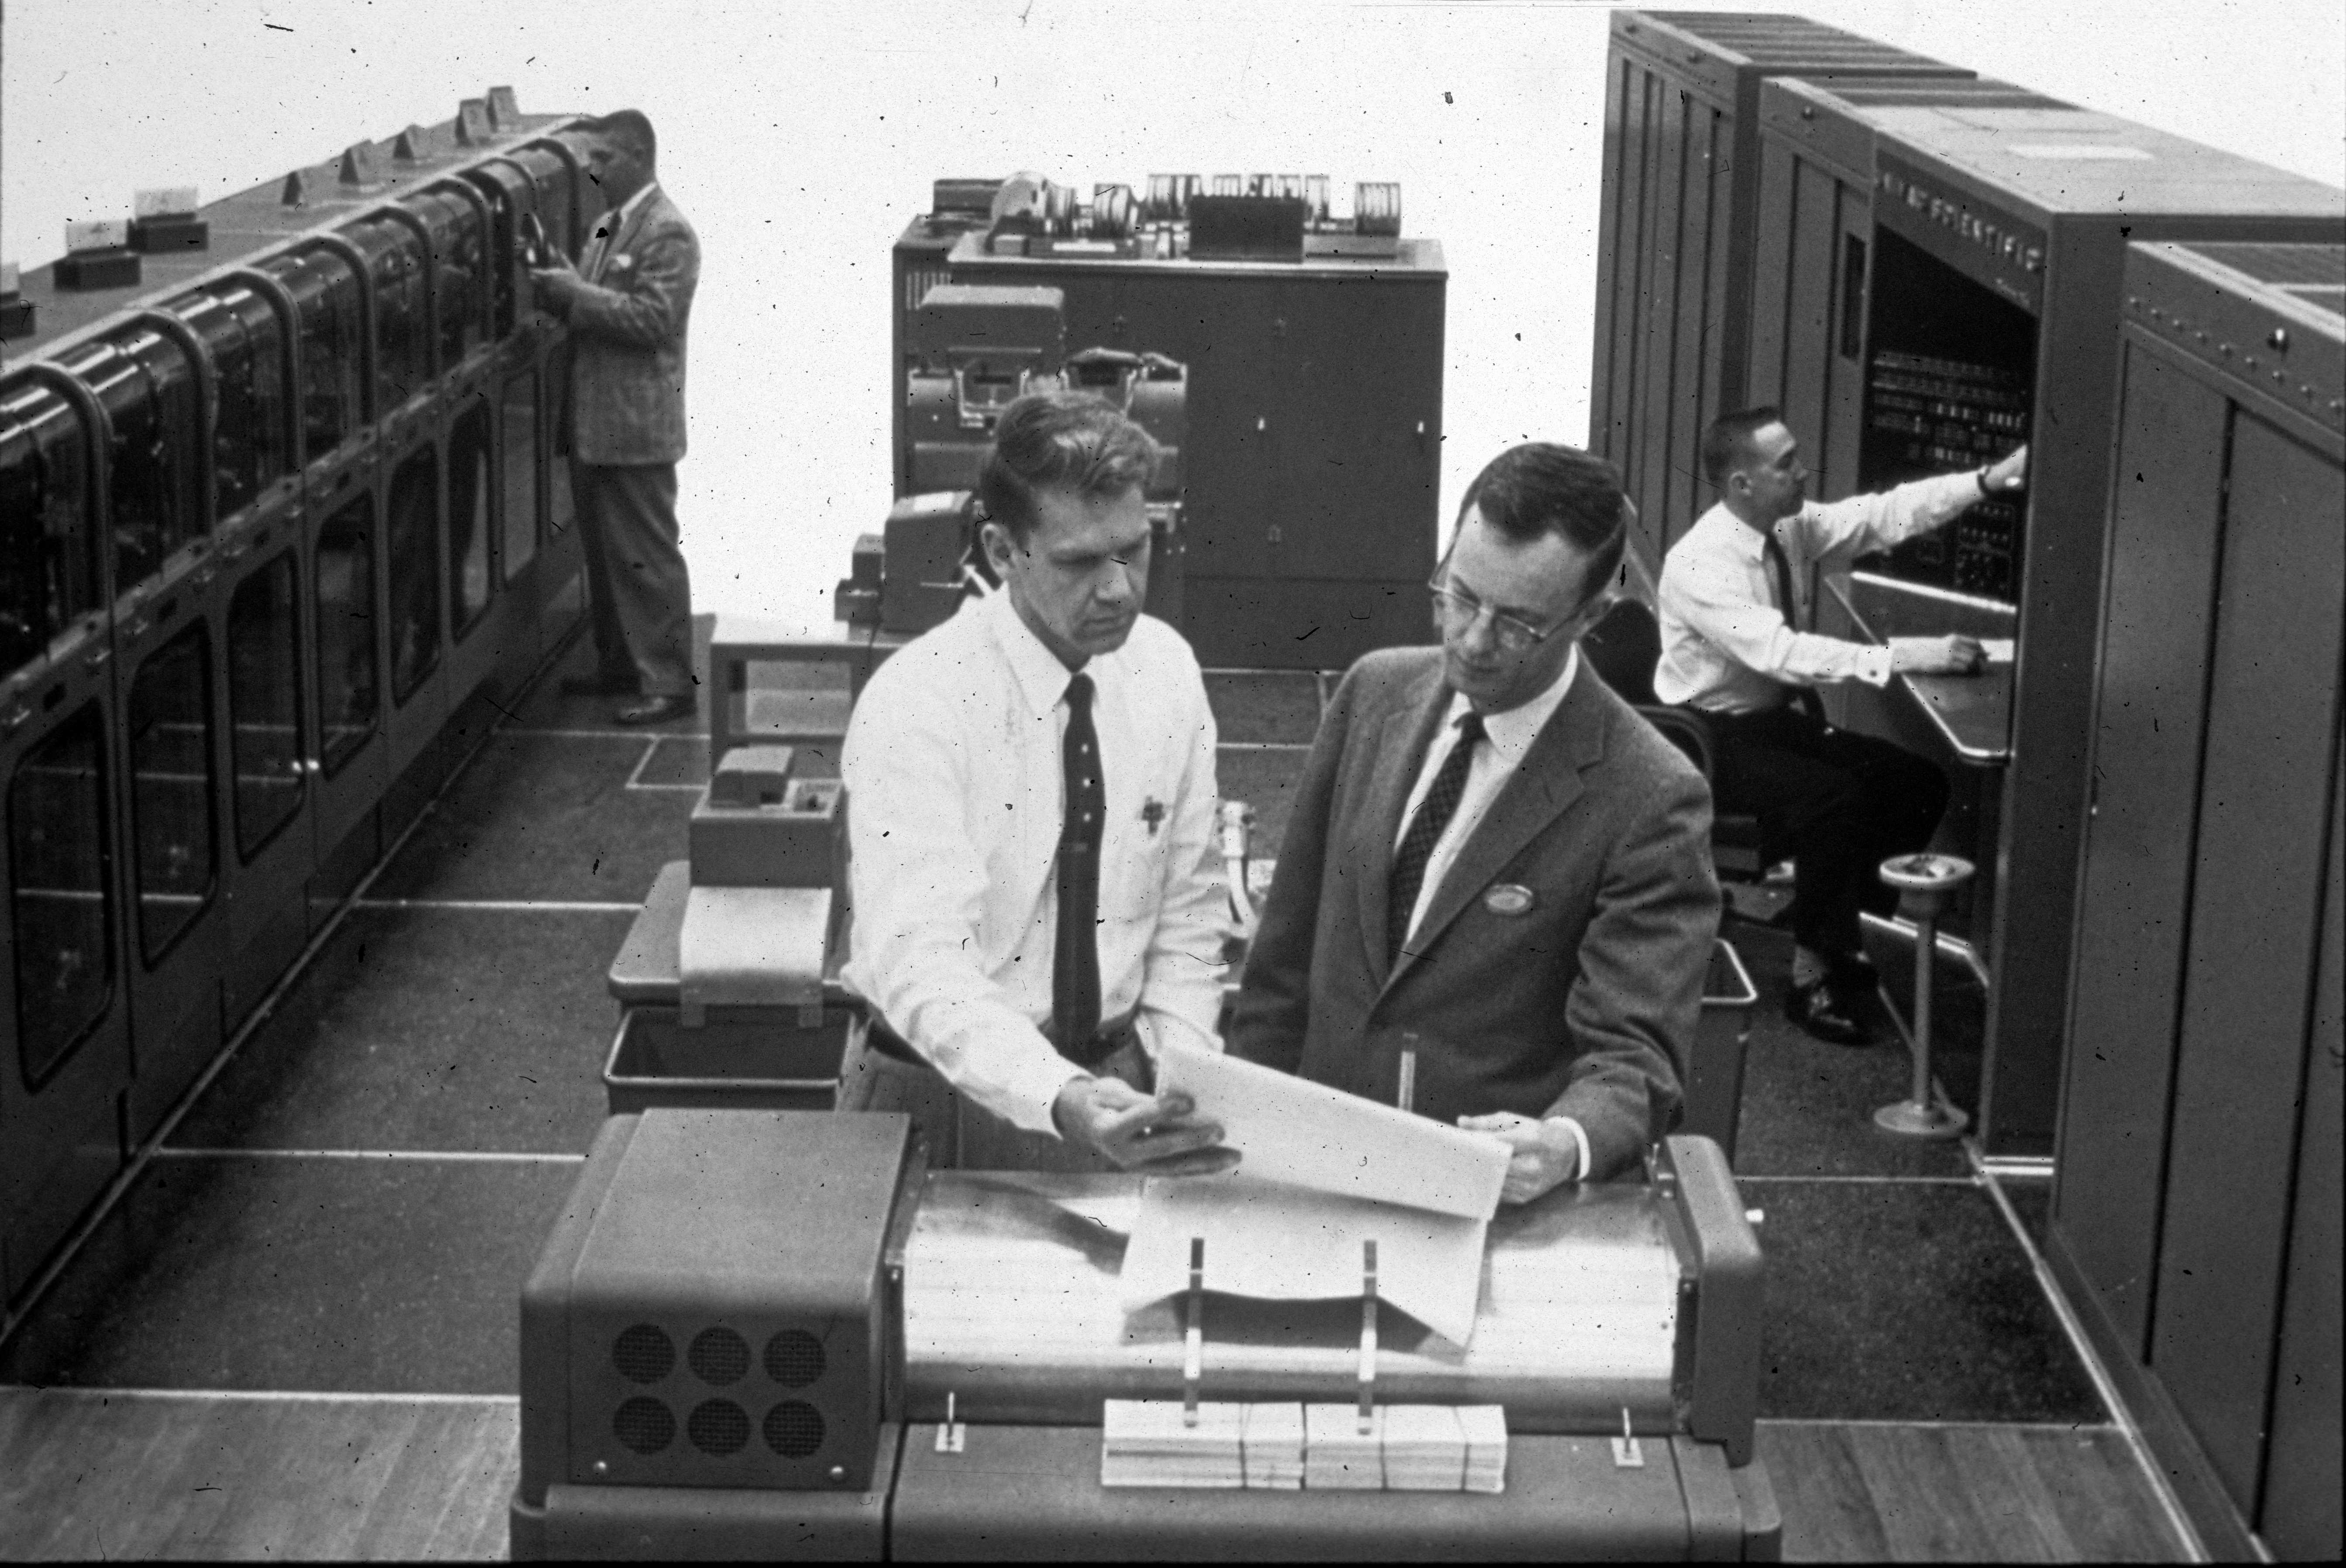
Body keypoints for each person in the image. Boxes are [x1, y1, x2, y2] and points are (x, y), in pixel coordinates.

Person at [1228, 443, 1719, 1202]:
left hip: (1486, 1201)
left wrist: (1564, 1142)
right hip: (1311, 1175)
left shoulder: (1650, 794)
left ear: (1591, 616)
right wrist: (1241, 1134)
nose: (1473, 639)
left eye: (1519, 623)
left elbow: (1634, 1058)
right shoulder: (1372, 693)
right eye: (1460, 596)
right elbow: (1281, 964)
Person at [838, 390, 1236, 1177]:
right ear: (1001, 550)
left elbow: (1190, 912)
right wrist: (1057, 1094)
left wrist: (1178, 1077)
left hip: (1122, 1089)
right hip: (944, 1093)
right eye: (1080, 562)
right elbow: (923, 961)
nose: (1119, 588)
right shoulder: (919, 703)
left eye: (1135, 549)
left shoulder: (1167, 671)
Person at [1655, 406, 2027, 1044]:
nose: (1804, 472)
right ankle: (1810, 977)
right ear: (1742, 484)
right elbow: (1782, 654)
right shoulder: (1701, 564)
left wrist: (1987, 481)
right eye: (1786, 465)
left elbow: (1883, 515)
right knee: (1833, 799)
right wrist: (1903, 656)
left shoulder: (1787, 526)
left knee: (1915, 781)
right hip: (1709, 739)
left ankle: (1833, 926)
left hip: (1770, 721)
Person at [529, 109, 700, 726]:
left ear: (637, 156)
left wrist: (575, 293)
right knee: (606, 557)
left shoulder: (668, 233)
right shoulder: (607, 225)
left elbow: (652, 319)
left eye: (602, 159)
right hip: (594, 423)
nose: (594, 170)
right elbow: (595, 298)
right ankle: (622, 666)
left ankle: (671, 683)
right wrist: (562, 280)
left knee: (646, 558)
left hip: (635, 429)